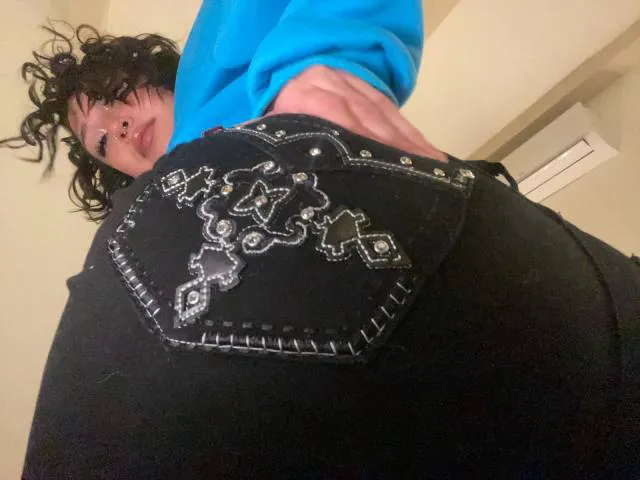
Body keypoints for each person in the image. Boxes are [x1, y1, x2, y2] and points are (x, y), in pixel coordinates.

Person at [7, 2, 640, 479]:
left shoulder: (217, 57)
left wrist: (324, 58)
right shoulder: (143, 213)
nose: (117, 128)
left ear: (157, 72)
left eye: (117, 97)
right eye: (100, 141)